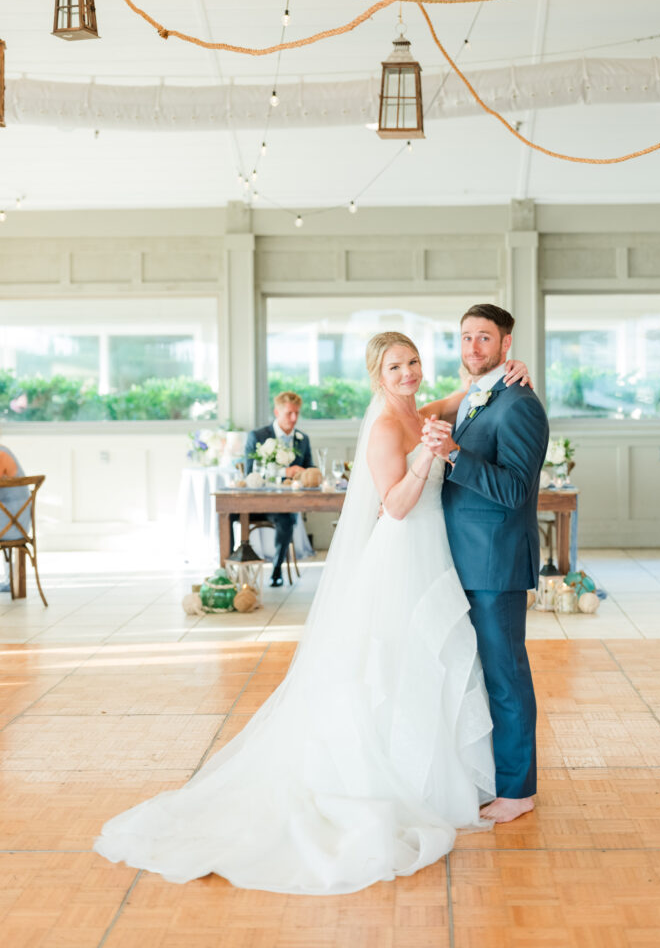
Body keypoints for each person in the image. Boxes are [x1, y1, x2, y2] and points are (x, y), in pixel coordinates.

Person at [93, 334, 531, 894]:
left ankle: (436, 776)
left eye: (414, 362)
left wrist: (506, 371)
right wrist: (430, 455)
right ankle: (398, 778)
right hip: (403, 555)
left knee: (432, 661)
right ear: (377, 374)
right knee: (392, 667)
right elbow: (394, 506)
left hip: (432, 555)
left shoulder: (415, 409)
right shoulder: (384, 426)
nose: (408, 372)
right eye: (395, 366)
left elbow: (464, 393)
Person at [422, 304, 549, 824]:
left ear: (506, 343)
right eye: (466, 338)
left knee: (506, 675)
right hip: (464, 561)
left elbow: (516, 490)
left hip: (495, 564)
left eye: (484, 338)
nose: (474, 348)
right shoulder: (480, 396)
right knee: (475, 674)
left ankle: (519, 791)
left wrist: (454, 454)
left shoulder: (520, 404)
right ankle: (488, 776)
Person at [241, 391, 314, 587]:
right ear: (276, 412)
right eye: (289, 413)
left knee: (287, 518)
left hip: (286, 504)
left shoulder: (303, 439)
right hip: (259, 502)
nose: (294, 418)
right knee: (231, 515)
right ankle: (234, 571)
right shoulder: (257, 436)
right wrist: (284, 472)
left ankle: (276, 569)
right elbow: (250, 474)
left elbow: (310, 468)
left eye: (297, 413)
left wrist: (304, 474)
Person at [0, 443, 30, 593]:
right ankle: (12, 581)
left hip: (10, 524)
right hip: (18, 524)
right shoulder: (4, 450)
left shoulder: (1, 454)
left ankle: (11, 580)